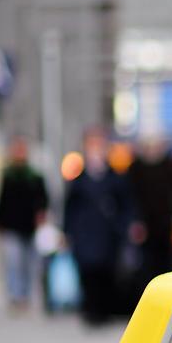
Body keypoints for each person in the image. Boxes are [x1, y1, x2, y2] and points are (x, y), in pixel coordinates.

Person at [63, 128, 139, 325]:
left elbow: (126, 204)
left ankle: (105, 310)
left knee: (107, 271)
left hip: (108, 233)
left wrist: (127, 226)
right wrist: (67, 231)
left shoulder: (115, 176)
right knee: (87, 272)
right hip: (85, 233)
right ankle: (90, 310)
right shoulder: (78, 178)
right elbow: (69, 206)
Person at [0, 135, 50, 312]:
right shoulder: (8, 175)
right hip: (12, 225)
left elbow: (44, 199)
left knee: (28, 263)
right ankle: (15, 295)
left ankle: (25, 295)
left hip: (30, 226)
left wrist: (41, 214)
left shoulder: (34, 176)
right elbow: (1, 200)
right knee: (14, 261)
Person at [126, 137, 172, 286]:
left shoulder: (169, 166)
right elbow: (128, 196)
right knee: (144, 265)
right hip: (142, 226)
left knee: (165, 264)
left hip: (164, 225)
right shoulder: (136, 168)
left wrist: (171, 207)